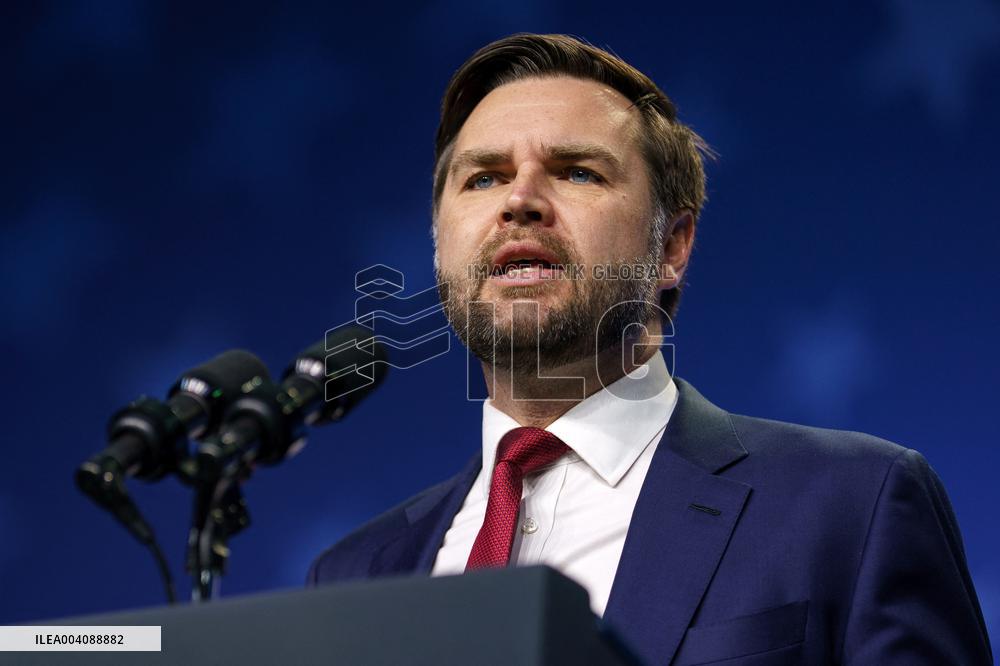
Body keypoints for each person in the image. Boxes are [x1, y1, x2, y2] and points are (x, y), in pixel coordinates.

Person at [308, 34, 993, 664]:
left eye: (577, 172)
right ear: (440, 245)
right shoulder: (353, 575)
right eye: (482, 177)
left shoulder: (853, 503)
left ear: (671, 246)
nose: (519, 201)